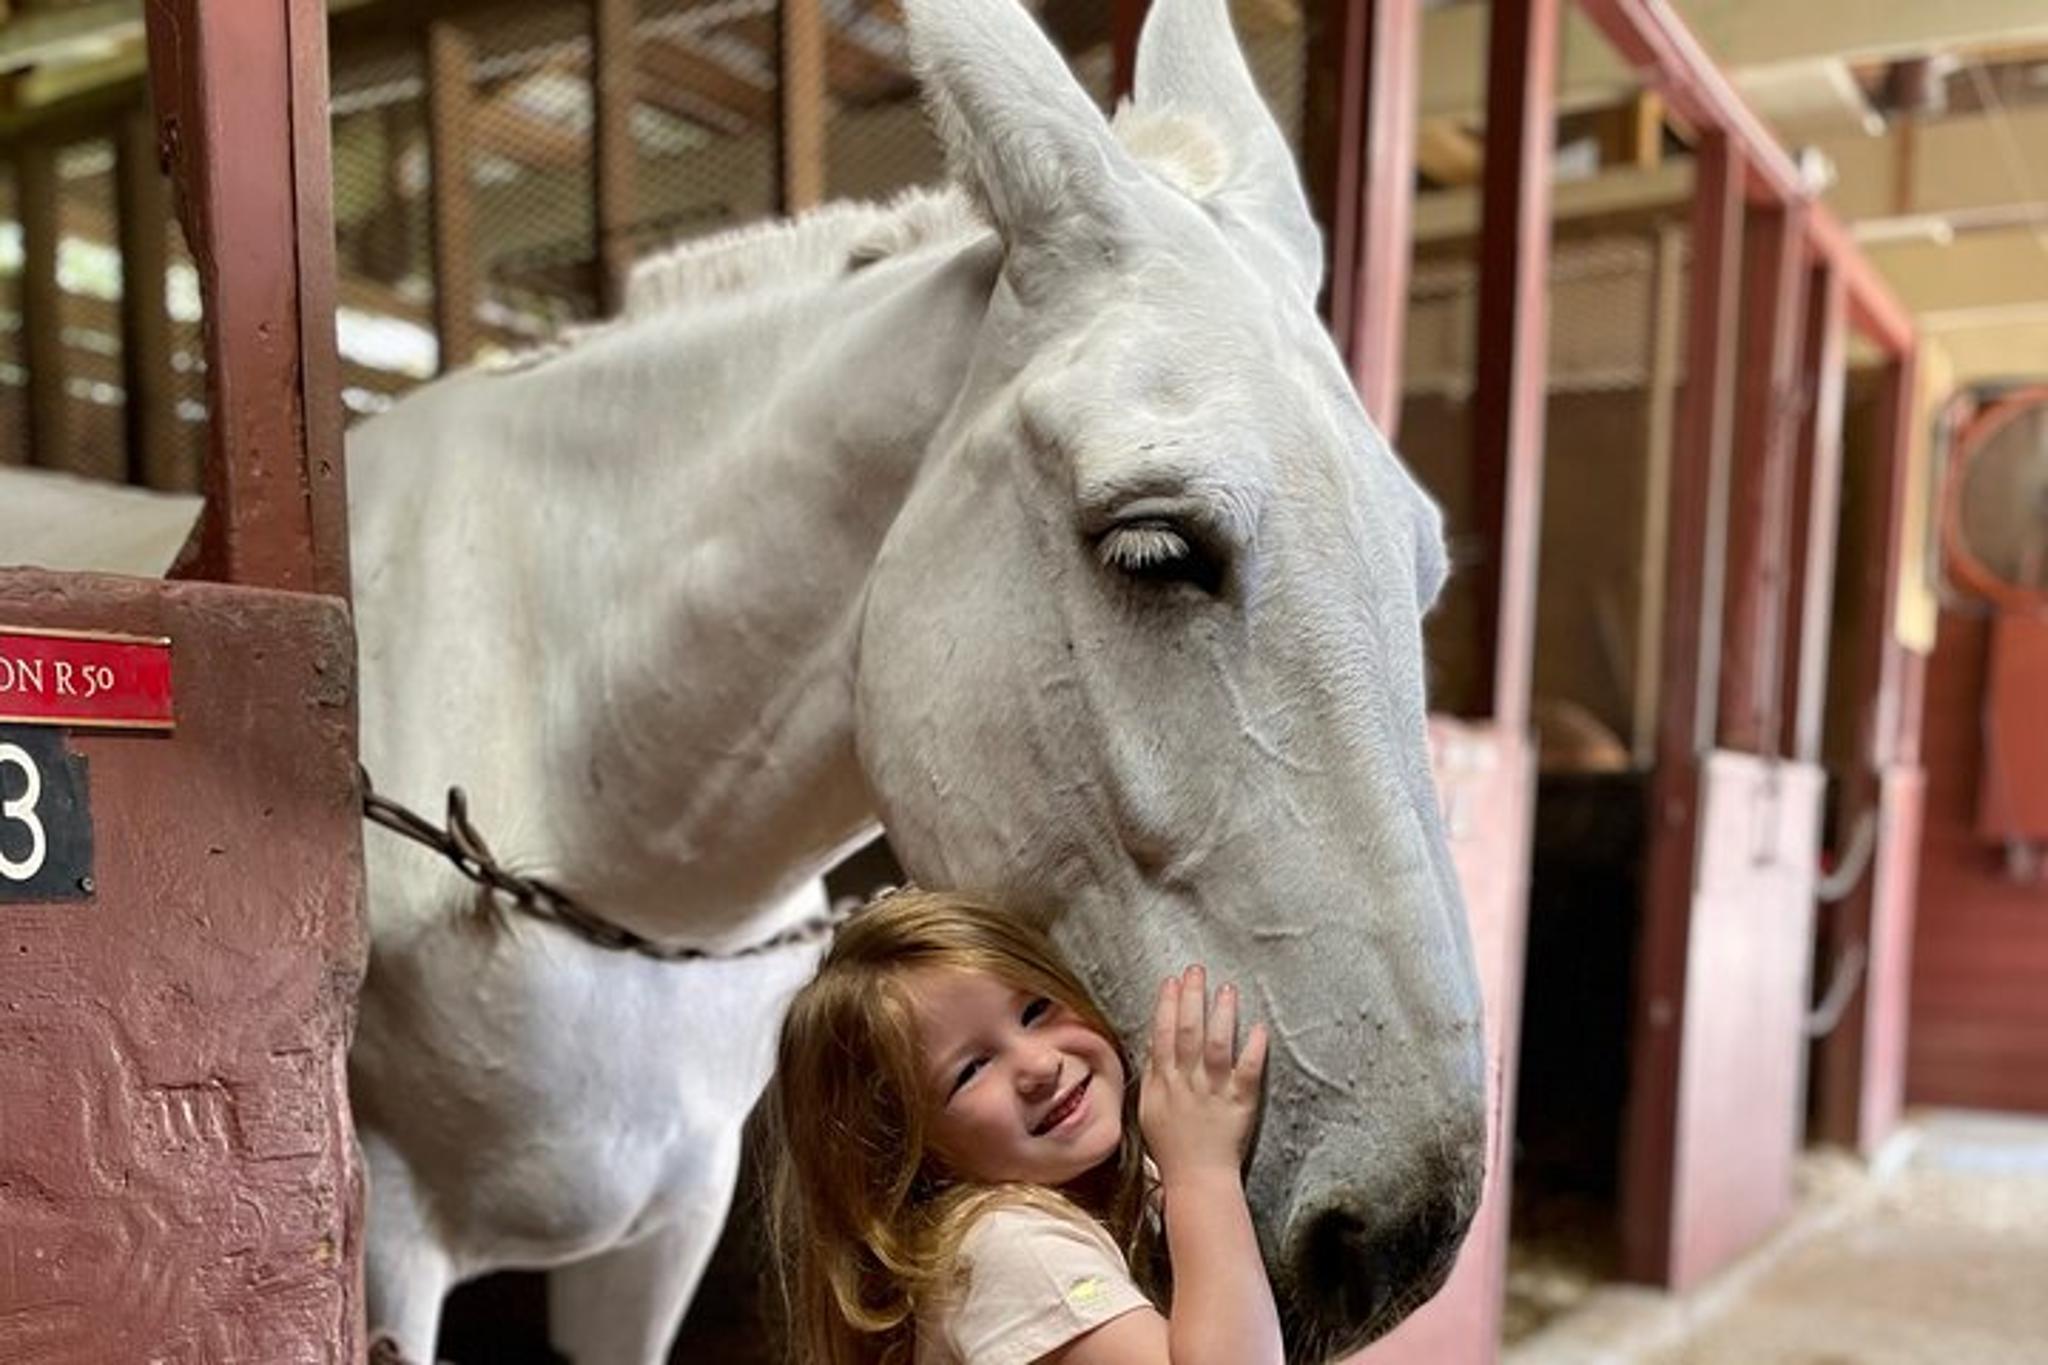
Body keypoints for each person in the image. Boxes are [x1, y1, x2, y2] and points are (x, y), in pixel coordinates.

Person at [766, 886, 1280, 1365]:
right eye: (970, 1070)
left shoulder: (1099, 1189)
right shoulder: (1006, 1247)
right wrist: (1201, 1171)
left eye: (1036, 1009)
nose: (1038, 1066)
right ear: (907, 1154)